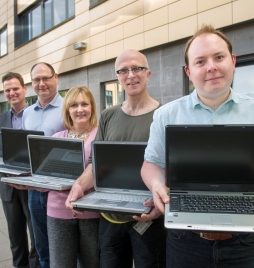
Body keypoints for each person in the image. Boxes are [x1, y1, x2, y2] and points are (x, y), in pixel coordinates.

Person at [141, 25, 254, 268]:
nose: (211, 66)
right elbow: (151, 164)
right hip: (185, 241)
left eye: (219, 57)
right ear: (189, 71)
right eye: (200, 61)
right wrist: (157, 184)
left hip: (245, 242)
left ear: (233, 61)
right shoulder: (166, 115)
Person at [66, 50, 166, 268]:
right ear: (118, 77)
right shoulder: (108, 116)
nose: (131, 75)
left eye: (137, 68)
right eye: (124, 71)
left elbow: (173, 168)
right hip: (111, 219)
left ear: (148, 74)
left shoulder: (164, 115)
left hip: (150, 216)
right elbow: (95, 163)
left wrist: (162, 204)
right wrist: (79, 185)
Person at [47, 86, 100, 268]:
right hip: (57, 210)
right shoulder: (56, 138)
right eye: (74, 105)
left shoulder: (101, 136)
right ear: (67, 109)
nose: (80, 110)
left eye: (85, 104)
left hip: (91, 212)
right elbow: (47, 176)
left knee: (91, 264)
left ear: (92, 107)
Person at [0, 72, 39, 268]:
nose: (12, 93)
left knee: (36, 236)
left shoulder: (37, 114)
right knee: (15, 238)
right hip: (9, 187)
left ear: (24, 89)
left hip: (32, 186)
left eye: (15, 88)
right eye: (7, 90)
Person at [22, 62, 65, 268]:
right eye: (36, 80)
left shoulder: (69, 107)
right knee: (42, 245)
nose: (41, 84)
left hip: (60, 189)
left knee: (63, 245)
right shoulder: (27, 113)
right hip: (34, 188)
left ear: (55, 77)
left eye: (45, 78)